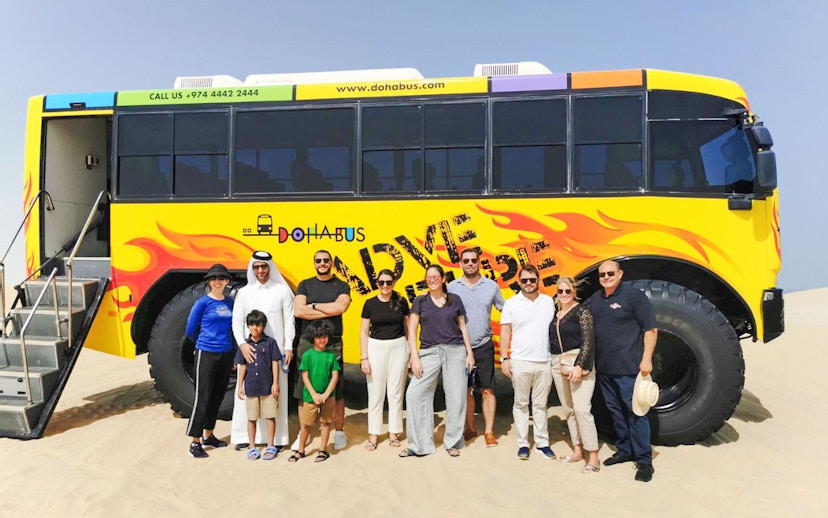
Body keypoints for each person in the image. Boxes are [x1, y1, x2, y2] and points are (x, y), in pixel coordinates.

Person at [586, 260, 658, 482]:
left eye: (610, 273)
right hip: (605, 370)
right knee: (615, 411)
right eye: (602, 275)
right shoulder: (596, 300)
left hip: (629, 369)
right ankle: (625, 450)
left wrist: (647, 358)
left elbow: (650, 329)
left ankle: (644, 461)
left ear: (620, 274)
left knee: (636, 413)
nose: (606, 277)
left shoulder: (634, 296)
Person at [399, 264, 474, 458]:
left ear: (443, 279)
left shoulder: (455, 300)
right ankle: (419, 445)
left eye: (435, 276)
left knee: (456, 397)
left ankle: (453, 441)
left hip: (455, 351)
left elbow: (463, 328)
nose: (432, 279)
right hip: (429, 352)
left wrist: (469, 353)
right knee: (415, 394)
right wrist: (414, 357)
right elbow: (412, 331)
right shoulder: (420, 301)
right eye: (428, 277)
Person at [231, 250, 295, 451]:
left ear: (270, 267)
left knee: (276, 393)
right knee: (246, 396)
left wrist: (289, 346)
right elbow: (236, 322)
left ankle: (276, 440)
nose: (260, 270)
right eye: (256, 267)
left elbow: (289, 321)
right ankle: (244, 437)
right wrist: (242, 344)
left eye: (264, 266)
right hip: (249, 352)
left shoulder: (282, 291)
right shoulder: (244, 293)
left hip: (276, 355)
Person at [294, 250, 351, 450]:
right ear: (314, 263)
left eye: (326, 260)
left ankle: (340, 431)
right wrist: (328, 307)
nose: (322, 263)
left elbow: (340, 308)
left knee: (337, 389)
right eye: (318, 260)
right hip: (307, 342)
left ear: (331, 263)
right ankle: (305, 432)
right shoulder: (305, 284)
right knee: (304, 389)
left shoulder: (342, 285)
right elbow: (299, 310)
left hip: (333, 343)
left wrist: (315, 305)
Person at [447, 248, 505, 447]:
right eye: (466, 260)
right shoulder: (452, 287)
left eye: (473, 260)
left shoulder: (491, 286)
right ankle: (470, 428)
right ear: (460, 264)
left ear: (479, 262)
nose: (470, 263)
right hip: (459, 348)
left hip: (484, 345)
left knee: (488, 390)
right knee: (466, 390)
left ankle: (489, 432)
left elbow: (504, 309)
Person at [499, 264, 556, 460]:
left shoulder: (549, 302)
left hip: (544, 360)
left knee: (540, 405)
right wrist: (504, 358)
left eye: (532, 280)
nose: (528, 283)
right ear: (519, 282)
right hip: (520, 360)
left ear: (538, 280)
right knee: (521, 403)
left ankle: (542, 443)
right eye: (524, 280)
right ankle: (523, 444)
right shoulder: (511, 303)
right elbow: (505, 331)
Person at [548, 276, 600, 473]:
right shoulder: (557, 314)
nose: (563, 295)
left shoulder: (582, 312)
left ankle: (593, 456)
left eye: (567, 291)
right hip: (558, 363)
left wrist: (580, 365)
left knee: (582, 410)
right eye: (560, 292)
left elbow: (588, 341)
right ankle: (578, 451)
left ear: (574, 292)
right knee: (568, 409)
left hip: (578, 363)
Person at [184, 264, 234, 459]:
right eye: (214, 278)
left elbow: (233, 328)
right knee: (202, 398)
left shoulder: (230, 302)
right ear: (209, 282)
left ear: (227, 281)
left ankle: (209, 435)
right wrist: (204, 344)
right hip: (206, 353)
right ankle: (195, 442)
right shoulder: (202, 303)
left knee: (217, 396)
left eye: (221, 278)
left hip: (226, 354)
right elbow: (190, 329)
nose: (217, 281)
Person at [360, 269, 410, 450]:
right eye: (381, 282)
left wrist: (412, 352)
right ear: (377, 283)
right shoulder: (370, 304)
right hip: (375, 347)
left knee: (396, 393)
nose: (385, 286)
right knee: (376, 393)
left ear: (394, 282)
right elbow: (364, 332)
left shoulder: (401, 301)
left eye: (388, 282)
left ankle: (394, 432)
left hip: (399, 346)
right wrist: (364, 357)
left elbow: (409, 329)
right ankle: (374, 434)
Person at [289, 322, 340, 463]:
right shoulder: (307, 355)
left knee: (325, 422)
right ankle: (301, 450)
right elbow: (304, 376)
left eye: (324, 337)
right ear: (313, 338)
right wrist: (314, 394)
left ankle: (323, 450)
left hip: (328, 396)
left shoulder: (331, 355)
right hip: (310, 396)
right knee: (306, 425)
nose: (322, 340)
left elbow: (335, 376)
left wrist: (326, 394)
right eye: (318, 337)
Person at [236, 310, 282, 461]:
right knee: (251, 418)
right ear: (248, 326)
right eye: (252, 325)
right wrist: (240, 386)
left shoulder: (270, 343)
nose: (255, 328)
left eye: (258, 325)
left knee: (270, 416)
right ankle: (252, 446)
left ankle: (270, 445)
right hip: (250, 387)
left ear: (263, 326)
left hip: (268, 386)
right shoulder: (245, 345)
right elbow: (242, 366)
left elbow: (275, 362)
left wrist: (275, 383)